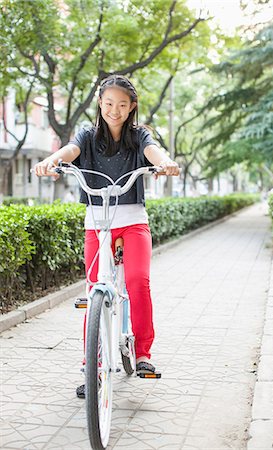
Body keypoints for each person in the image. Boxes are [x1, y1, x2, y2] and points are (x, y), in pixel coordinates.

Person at [34, 74, 180, 398]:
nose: (115, 110)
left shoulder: (139, 136)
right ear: (100, 103)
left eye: (122, 105)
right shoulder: (87, 135)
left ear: (131, 108)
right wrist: (52, 159)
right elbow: (70, 151)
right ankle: (92, 367)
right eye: (109, 103)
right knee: (93, 293)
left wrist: (166, 162)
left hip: (132, 223)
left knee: (137, 281)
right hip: (97, 225)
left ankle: (142, 353)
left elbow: (153, 152)